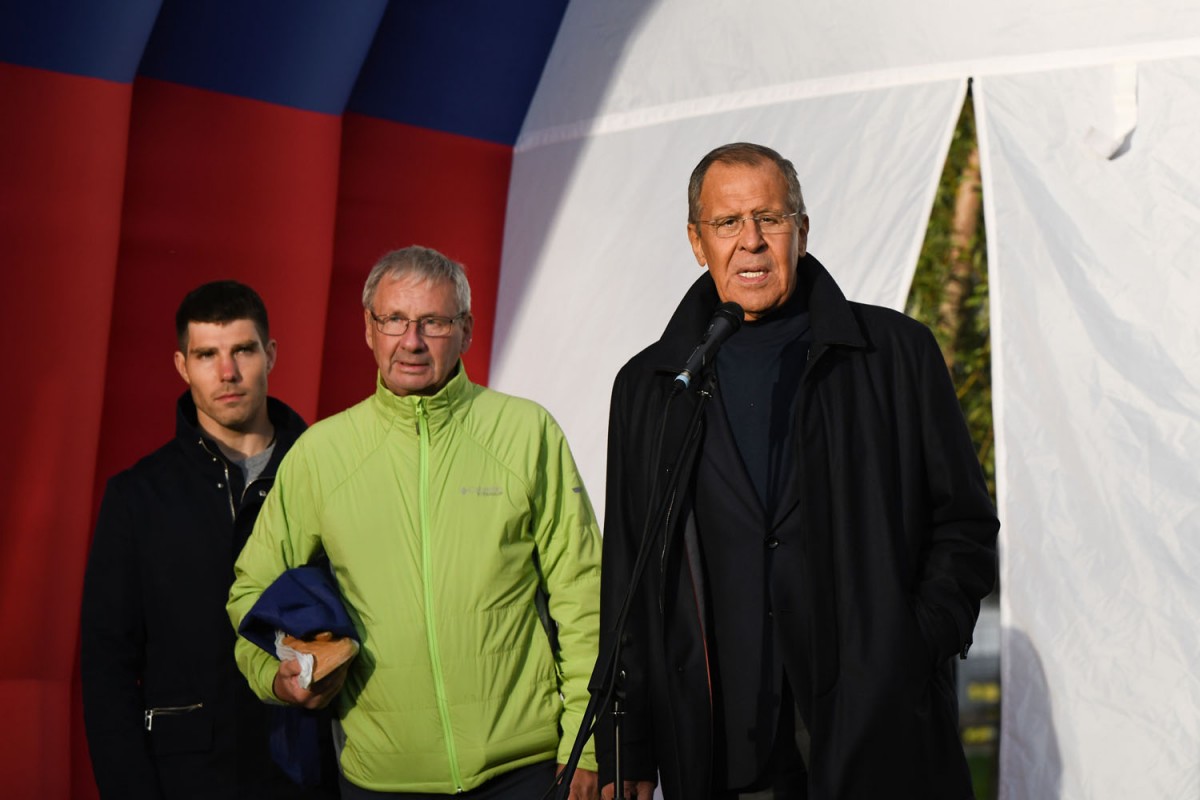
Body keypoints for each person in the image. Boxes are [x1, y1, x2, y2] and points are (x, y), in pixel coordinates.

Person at [597, 143, 1000, 800]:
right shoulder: (651, 386)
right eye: (728, 223)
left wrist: (912, 644)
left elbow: (964, 524)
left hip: (877, 735)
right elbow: (630, 574)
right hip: (722, 748)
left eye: (770, 218)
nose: (751, 241)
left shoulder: (894, 355)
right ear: (697, 242)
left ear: (802, 231)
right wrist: (628, 744)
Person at [227, 245, 603, 799]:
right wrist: (276, 678)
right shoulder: (321, 454)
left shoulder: (527, 433)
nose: (411, 341)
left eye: (434, 322)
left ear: (465, 330)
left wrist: (588, 742)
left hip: (525, 771)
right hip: (380, 779)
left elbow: (584, 595)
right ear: (368, 329)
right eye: (394, 320)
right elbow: (251, 593)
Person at [81, 280, 319, 798]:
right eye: (207, 354)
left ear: (270, 354)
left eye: (242, 350)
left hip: (312, 774)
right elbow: (106, 668)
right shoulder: (137, 497)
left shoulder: (327, 475)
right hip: (185, 780)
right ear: (182, 365)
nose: (227, 372)